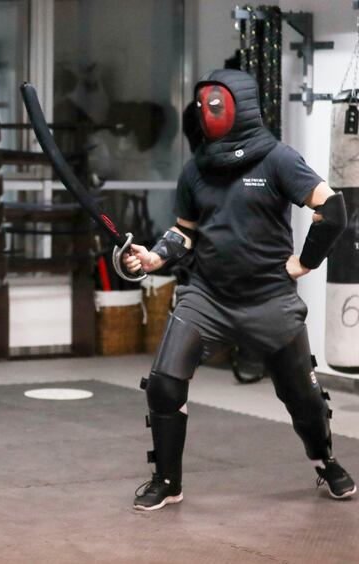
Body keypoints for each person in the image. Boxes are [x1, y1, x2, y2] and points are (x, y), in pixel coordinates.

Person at [125, 69, 356, 511]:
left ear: (241, 106)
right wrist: (156, 256)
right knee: (164, 385)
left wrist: (305, 262)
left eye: (217, 104)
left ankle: (325, 461)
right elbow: (184, 233)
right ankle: (167, 480)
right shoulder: (196, 171)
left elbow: (334, 209)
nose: (208, 113)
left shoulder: (278, 160)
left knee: (303, 398)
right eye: (204, 105)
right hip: (207, 297)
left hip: (269, 298)